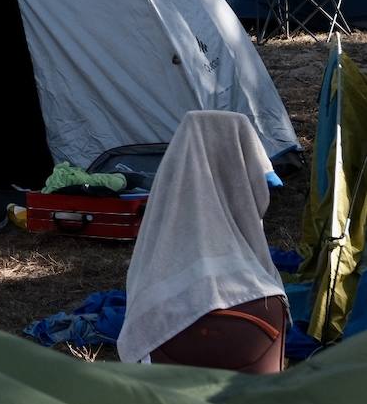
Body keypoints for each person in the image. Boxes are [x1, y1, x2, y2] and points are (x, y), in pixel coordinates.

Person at [118, 111, 288, 372]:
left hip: (169, 326)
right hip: (259, 314)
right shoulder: (256, 271)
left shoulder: (165, 208)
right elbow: (257, 196)